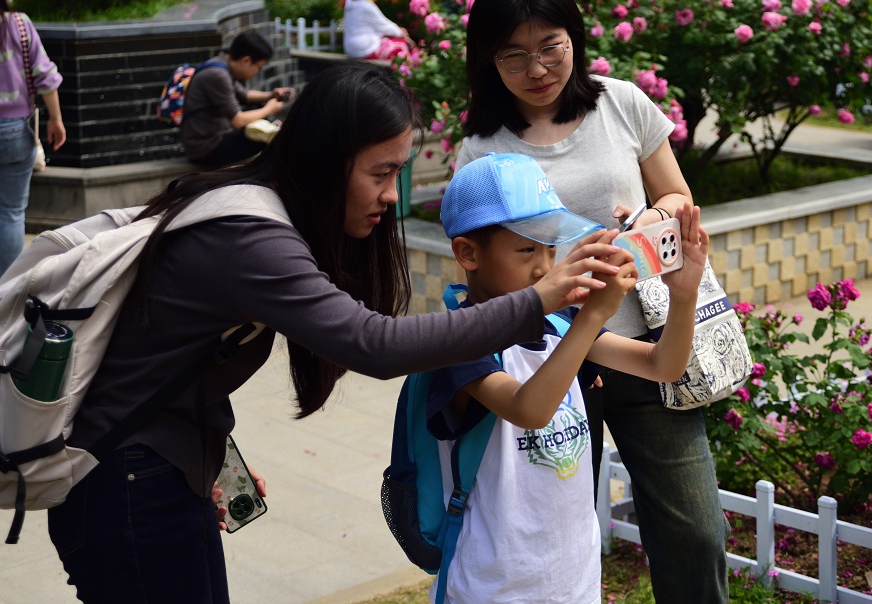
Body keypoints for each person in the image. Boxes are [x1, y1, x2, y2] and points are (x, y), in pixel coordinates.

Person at [46, 62, 623, 603]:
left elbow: (173, 356)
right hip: (123, 483)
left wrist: (209, 454)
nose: (393, 194)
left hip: (155, 476)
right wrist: (542, 298)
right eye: (381, 172)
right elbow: (373, 344)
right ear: (326, 161)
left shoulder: (253, 214)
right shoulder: (252, 237)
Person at [457, 0, 730, 602]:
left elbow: (677, 198)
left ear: (574, 39)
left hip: (642, 345)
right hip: (548, 362)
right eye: (514, 56)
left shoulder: (622, 103)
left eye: (551, 47)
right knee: (554, 536)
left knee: (695, 529)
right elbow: (486, 268)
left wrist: (641, 227)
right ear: (488, 61)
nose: (538, 69)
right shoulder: (480, 149)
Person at [427, 152, 709, 604]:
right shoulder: (458, 343)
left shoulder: (559, 325)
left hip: (572, 574)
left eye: (550, 249)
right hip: (494, 583)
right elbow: (529, 410)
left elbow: (664, 366)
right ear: (468, 253)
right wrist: (592, 314)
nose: (545, 267)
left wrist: (684, 293)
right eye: (525, 250)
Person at [0, 0, 66, 275]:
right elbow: (45, 76)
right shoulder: (19, 24)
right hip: (16, 131)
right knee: (12, 213)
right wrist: (55, 119)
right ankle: (7, 289)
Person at [180, 30, 295, 167]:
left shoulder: (221, 65)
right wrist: (269, 109)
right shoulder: (217, 75)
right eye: (259, 67)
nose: (258, 71)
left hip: (213, 137)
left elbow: (244, 95)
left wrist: (271, 95)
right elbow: (238, 121)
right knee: (261, 136)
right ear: (246, 60)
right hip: (205, 149)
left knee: (257, 111)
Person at [343, 0, 415, 61]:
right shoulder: (366, 5)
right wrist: (401, 32)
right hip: (363, 49)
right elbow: (384, 25)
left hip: (351, 49)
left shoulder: (350, 2)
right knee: (401, 45)